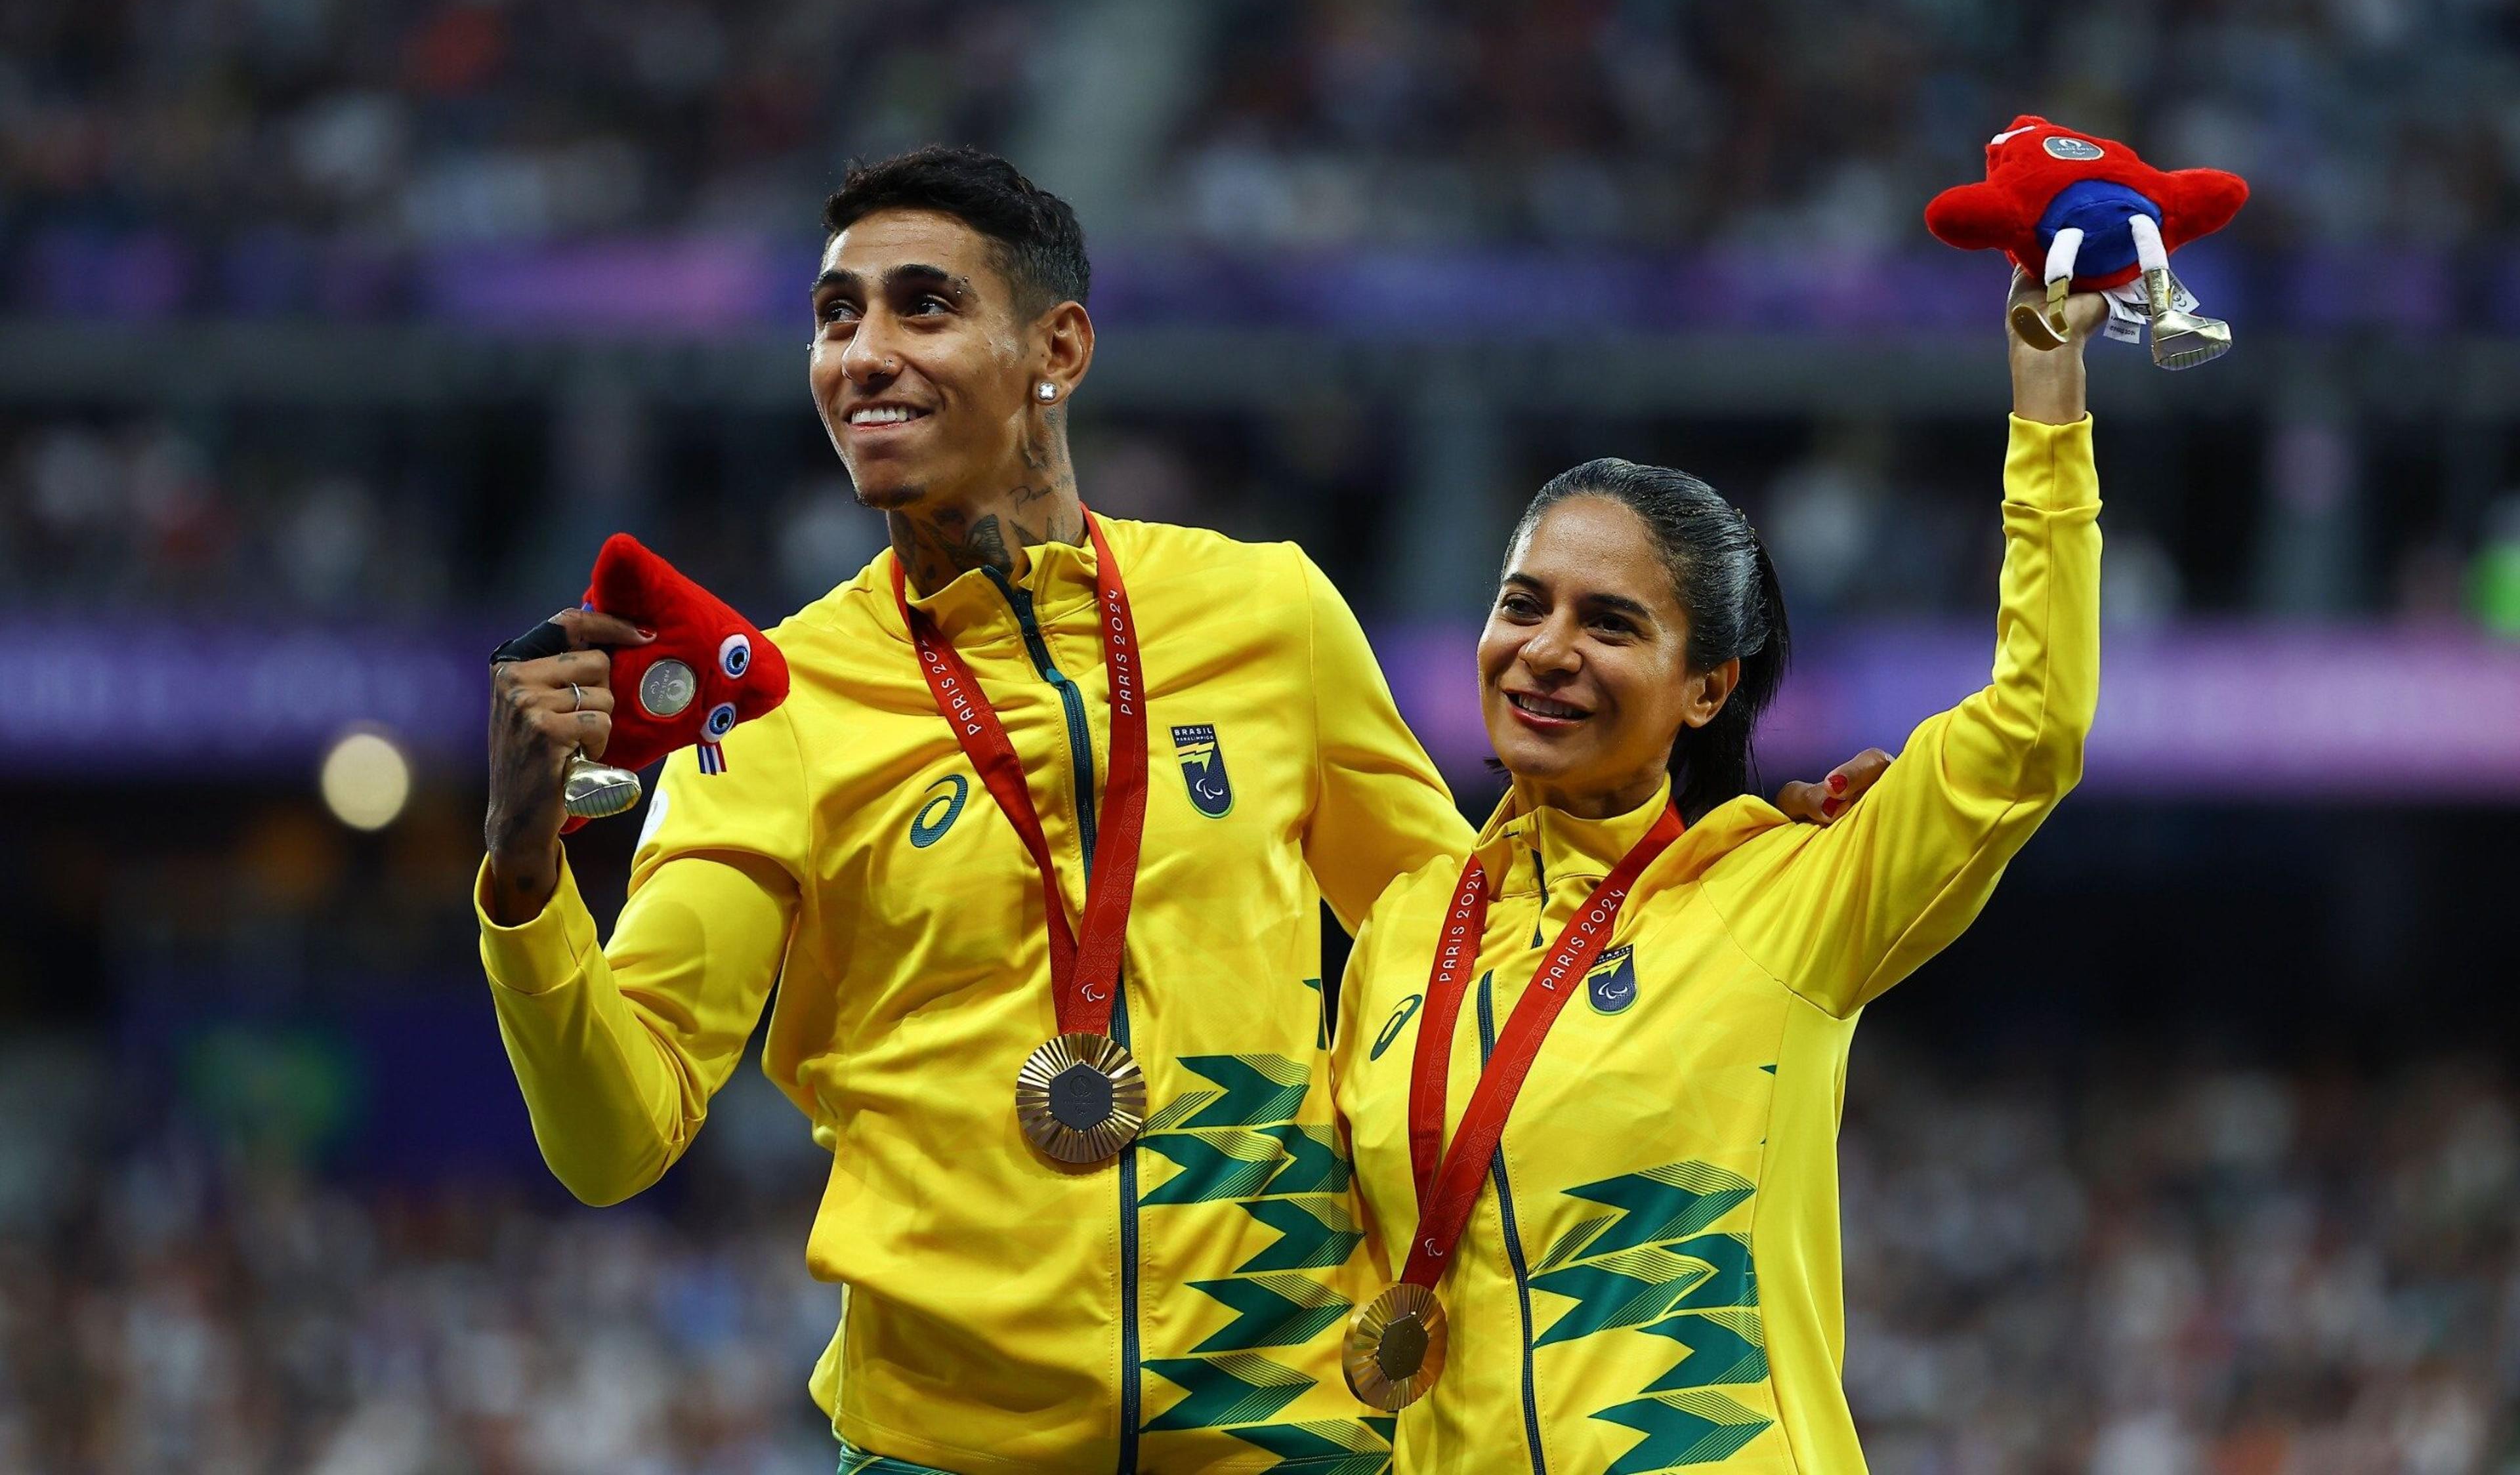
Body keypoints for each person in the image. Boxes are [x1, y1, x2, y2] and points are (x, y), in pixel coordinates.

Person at [478, 146, 1881, 1475]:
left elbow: (1488, 950)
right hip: (946, 1453)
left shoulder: (1264, 615)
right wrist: (528, 885)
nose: (864, 354)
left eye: (924, 306)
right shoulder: (777, 714)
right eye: (835, 316)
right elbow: (617, 1138)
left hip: (1289, 1439)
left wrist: (1730, 865)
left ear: (1059, 352)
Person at [1328, 269, 2103, 1473]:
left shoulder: (1785, 901)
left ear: (1708, 687)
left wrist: (2047, 392)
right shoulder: (1410, 928)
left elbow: (2035, 728)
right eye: (1523, 604)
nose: (1547, 649)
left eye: (1612, 623)